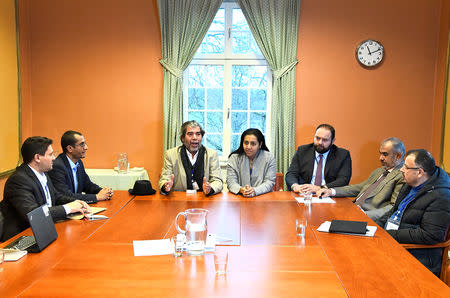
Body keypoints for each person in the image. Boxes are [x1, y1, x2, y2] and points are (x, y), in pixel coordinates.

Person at [0, 136, 91, 242]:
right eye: (50, 154)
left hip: (43, 231)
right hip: (22, 239)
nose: (54, 158)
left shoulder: (43, 173)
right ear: (37, 158)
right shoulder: (19, 180)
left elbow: (56, 197)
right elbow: (34, 214)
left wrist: (77, 203)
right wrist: (68, 208)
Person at [376, 149, 450, 276]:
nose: (401, 169)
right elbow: (394, 214)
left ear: (420, 172)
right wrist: (376, 226)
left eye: (406, 166)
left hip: (416, 255)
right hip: (392, 241)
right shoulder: (410, 183)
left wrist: (388, 235)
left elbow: (430, 235)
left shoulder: (442, 196)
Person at [316, 137, 405, 220]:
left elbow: (393, 207)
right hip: (352, 210)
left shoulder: (403, 175)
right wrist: (331, 191)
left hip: (369, 218)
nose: (380, 158)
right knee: (320, 215)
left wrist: (365, 215)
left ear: (397, 156)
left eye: (385, 154)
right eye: (380, 153)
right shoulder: (380, 171)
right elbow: (359, 187)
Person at [159, 120, 223, 195]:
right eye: (190, 134)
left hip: (204, 199)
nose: (194, 138)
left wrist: (210, 188)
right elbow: (164, 179)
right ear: (183, 138)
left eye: (198, 134)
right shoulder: (170, 154)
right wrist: (165, 186)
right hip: (180, 200)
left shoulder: (212, 155)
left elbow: (218, 181)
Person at [48, 130, 113, 203]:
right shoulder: (57, 166)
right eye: (82, 144)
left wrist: (103, 191)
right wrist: (96, 197)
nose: (86, 147)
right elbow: (66, 196)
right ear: (70, 148)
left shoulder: (78, 162)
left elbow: (87, 185)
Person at [285, 124, 352, 193]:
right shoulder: (302, 151)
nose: (320, 142)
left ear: (333, 141)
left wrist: (320, 188)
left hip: (328, 195)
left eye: (325, 140)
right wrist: (295, 186)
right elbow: (291, 173)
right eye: (317, 138)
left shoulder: (342, 155)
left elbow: (343, 180)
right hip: (304, 194)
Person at [227, 128, 276, 197]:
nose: (248, 147)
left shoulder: (269, 158)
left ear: (260, 144)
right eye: (246, 143)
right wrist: (241, 189)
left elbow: (269, 182)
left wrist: (254, 190)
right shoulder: (234, 158)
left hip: (262, 197)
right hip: (239, 197)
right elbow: (231, 181)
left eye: (253, 144)